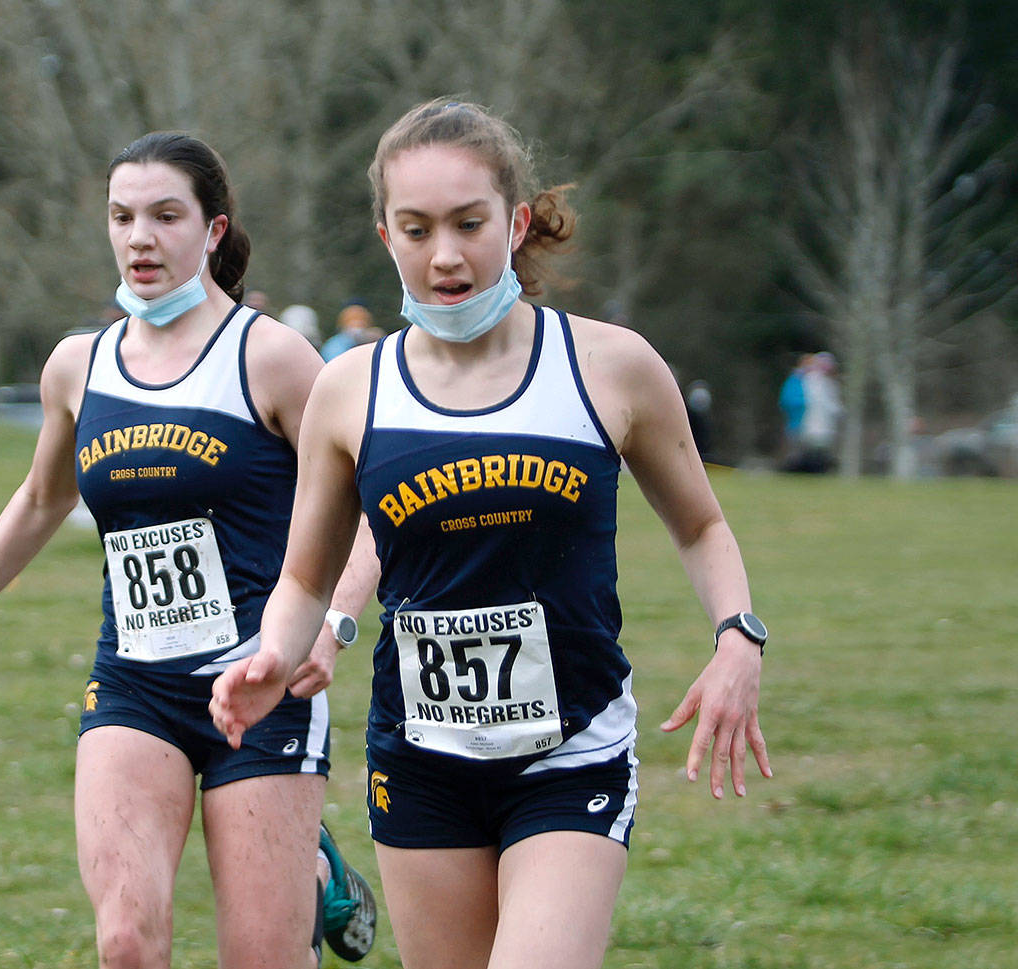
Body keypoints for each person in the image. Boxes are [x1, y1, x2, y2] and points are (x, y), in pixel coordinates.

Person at [211, 99, 771, 969]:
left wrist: (739, 636)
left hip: (570, 755)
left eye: (469, 223)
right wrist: (273, 658)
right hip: (422, 761)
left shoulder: (609, 365)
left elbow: (701, 524)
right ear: (384, 232)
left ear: (514, 223)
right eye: (417, 227)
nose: (445, 255)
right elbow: (304, 580)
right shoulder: (350, 390)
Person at [0, 132, 378, 969]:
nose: (140, 235)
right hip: (135, 682)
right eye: (122, 215)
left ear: (213, 231)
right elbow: (41, 498)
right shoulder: (80, 365)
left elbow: (367, 503)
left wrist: (330, 628)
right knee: (126, 943)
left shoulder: (273, 357)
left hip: (260, 685)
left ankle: (311, 864)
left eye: (165, 215)